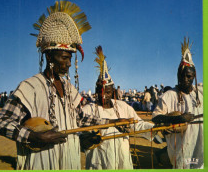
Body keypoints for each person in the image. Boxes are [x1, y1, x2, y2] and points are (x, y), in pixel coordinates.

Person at [0, 1, 122, 170]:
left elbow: (80, 119)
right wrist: (33, 137)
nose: (69, 64)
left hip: (70, 161)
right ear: (49, 57)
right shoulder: (29, 87)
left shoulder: (70, 89)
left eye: (70, 58)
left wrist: (113, 122)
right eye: (64, 58)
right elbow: (1, 122)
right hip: (41, 162)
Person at [81, 46, 154, 169]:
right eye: (100, 91)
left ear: (113, 92)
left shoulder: (122, 106)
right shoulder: (88, 109)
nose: (103, 95)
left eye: (107, 92)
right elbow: (79, 135)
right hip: (98, 162)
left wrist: (156, 128)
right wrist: (88, 139)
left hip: (122, 160)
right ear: (95, 91)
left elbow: (138, 124)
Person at [152, 37, 203, 169]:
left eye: (189, 76)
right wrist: (178, 118)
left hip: (200, 148)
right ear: (178, 75)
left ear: (194, 77)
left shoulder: (201, 94)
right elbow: (156, 117)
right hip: (180, 151)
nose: (185, 79)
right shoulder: (169, 95)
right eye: (182, 76)